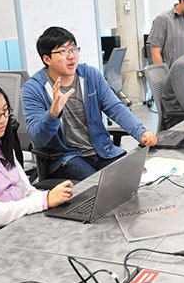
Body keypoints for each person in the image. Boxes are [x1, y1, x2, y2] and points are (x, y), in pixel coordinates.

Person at [22, 27, 157, 181]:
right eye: (63, 52)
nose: (71, 56)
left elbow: (115, 108)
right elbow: (37, 139)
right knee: (102, 187)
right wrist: (53, 113)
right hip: (67, 158)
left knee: (134, 177)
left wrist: (141, 132)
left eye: (74, 49)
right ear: (47, 59)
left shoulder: (90, 75)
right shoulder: (34, 89)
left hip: (102, 151)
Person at [0, 77, 73, 230]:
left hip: (22, 222)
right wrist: (42, 201)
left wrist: (52, 197)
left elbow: (25, 191)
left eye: (5, 111)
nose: (3, 119)